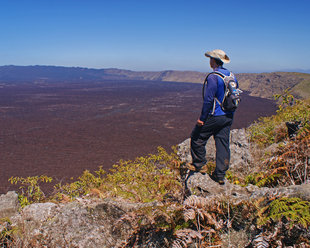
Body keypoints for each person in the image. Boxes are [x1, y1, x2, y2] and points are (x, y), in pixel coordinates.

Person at [190, 49, 238, 185]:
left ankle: (200, 164)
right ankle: (220, 175)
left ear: (213, 60)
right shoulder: (231, 75)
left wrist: (202, 119)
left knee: (197, 137)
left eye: (210, 58)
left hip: (215, 115)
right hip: (228, 115)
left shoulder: (213, 76)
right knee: (223, 143)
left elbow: (208, 99)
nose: (209, 61)